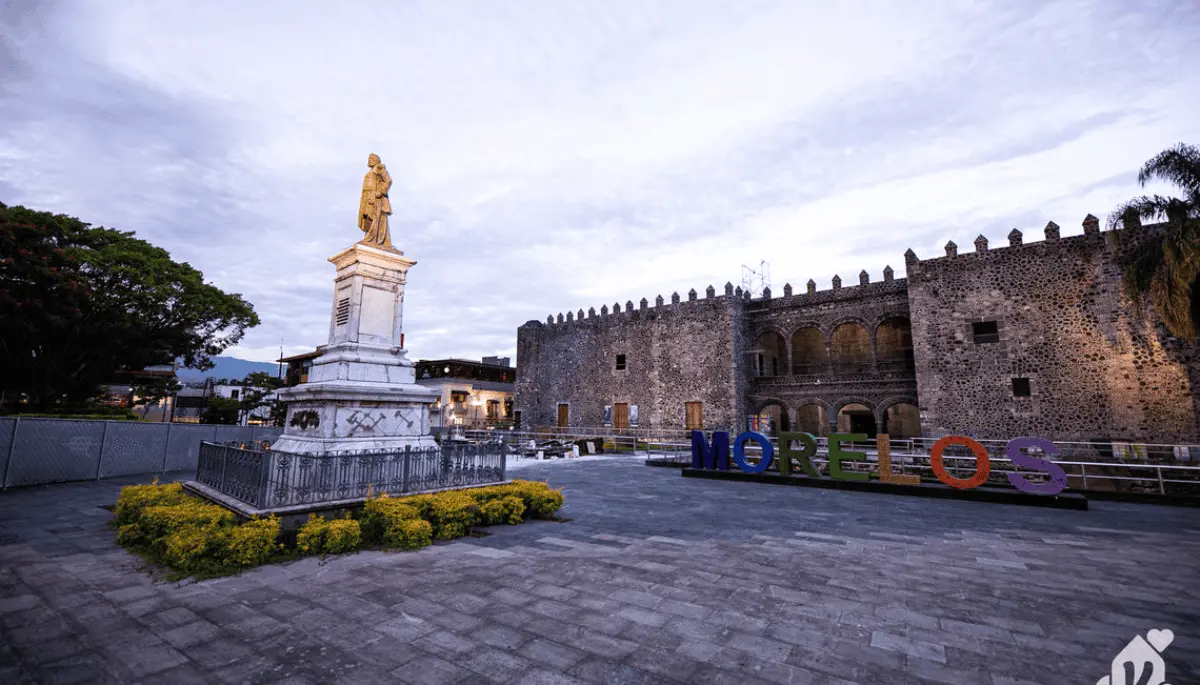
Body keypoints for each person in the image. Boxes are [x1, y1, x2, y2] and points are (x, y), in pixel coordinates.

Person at [358, 153, 393, 248]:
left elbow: (388, 180)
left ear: (375, 160)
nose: (368, 160)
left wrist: (380, 192)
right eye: (368, 158)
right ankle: (370, 237)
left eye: (370, 158)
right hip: (368, 197)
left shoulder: (379, 168)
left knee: (376, 217)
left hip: (376, 198)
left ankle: (373, 238)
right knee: (369, 217)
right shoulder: (370, 172)